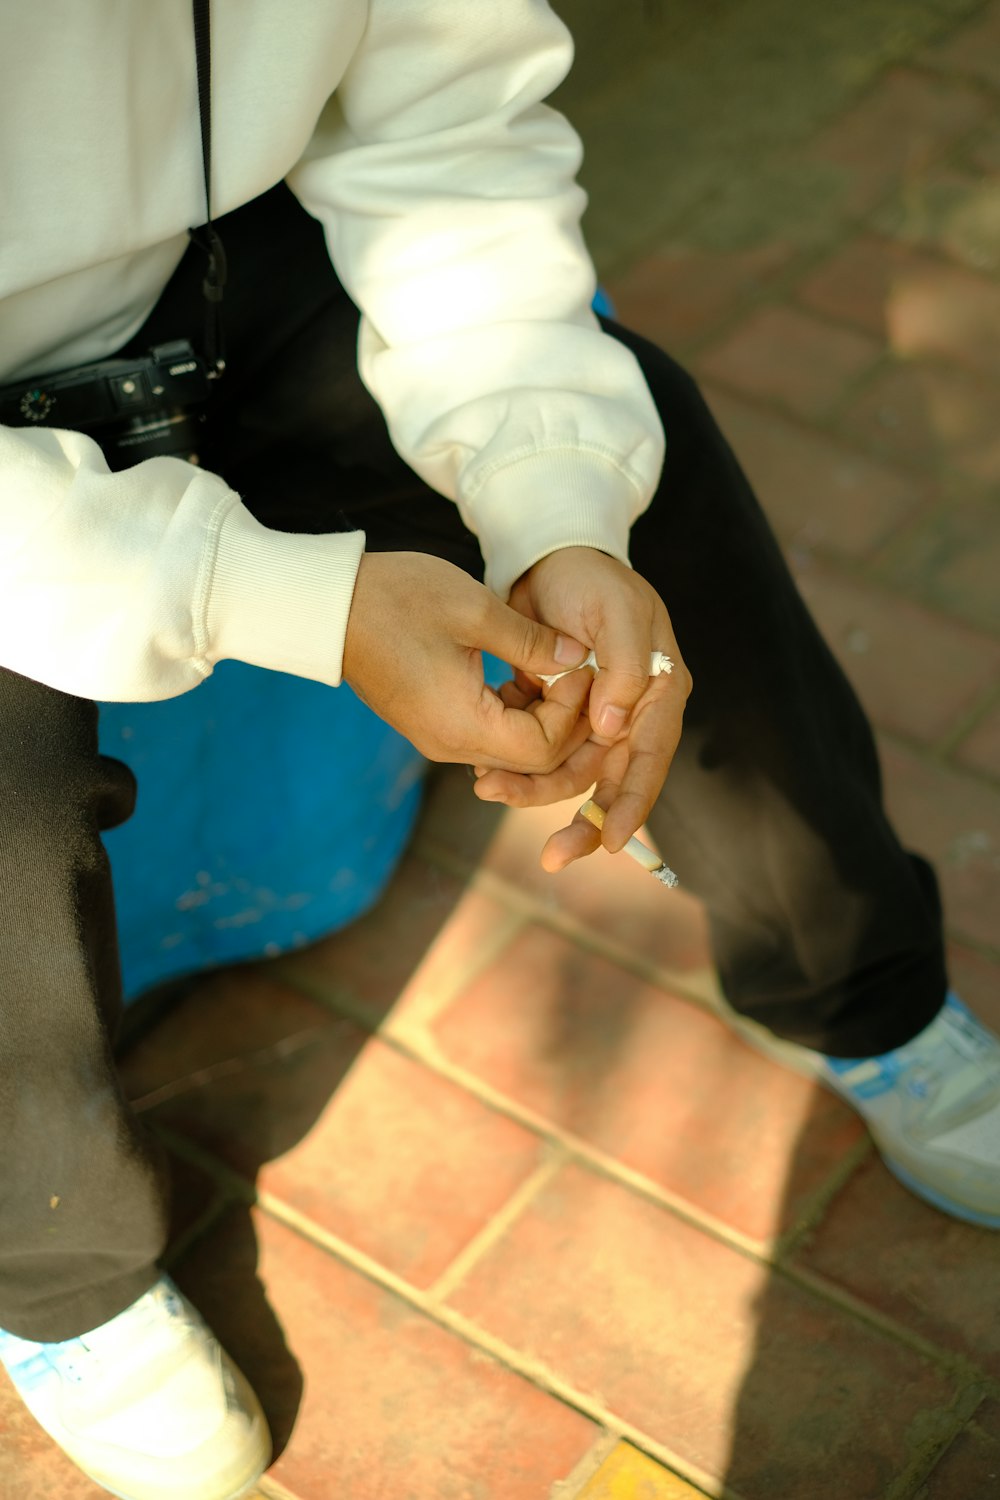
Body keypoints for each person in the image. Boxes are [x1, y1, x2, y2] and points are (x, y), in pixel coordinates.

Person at [0, 4, 996, 1498]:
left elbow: (446, 125)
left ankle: (865, 988)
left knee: (636, 456)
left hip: (233, 263)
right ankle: (51, 1262)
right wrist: (290, 602)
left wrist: (558, 495)